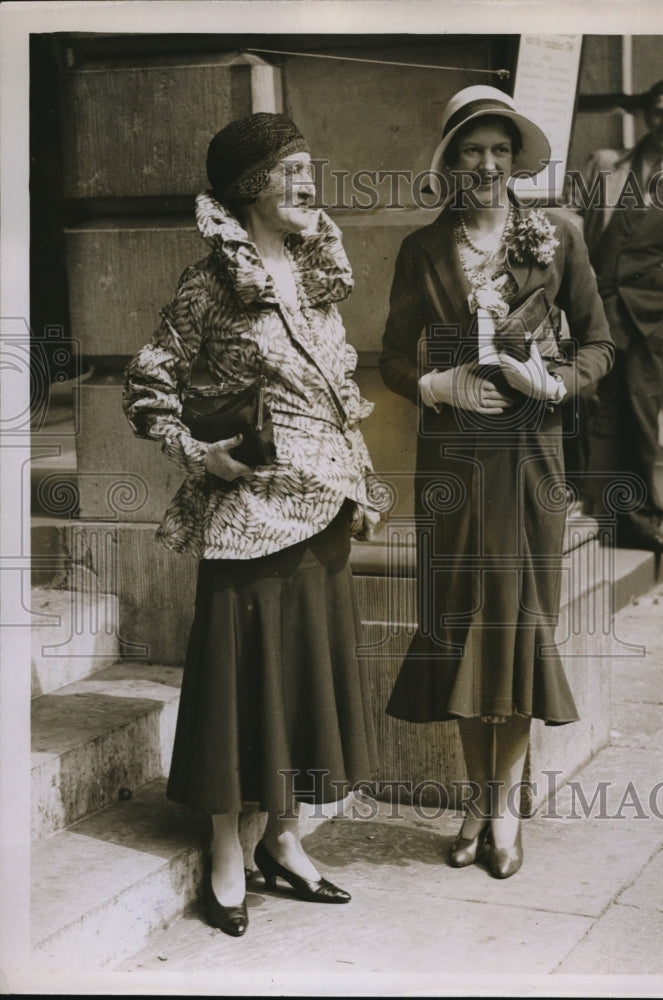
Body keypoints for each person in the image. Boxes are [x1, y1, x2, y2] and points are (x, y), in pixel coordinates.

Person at [123, 112, 379, 936]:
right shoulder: (208, 285)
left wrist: (363, 482)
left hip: (326, 509)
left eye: (311, 166)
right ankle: (227, 852)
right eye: (291, 169)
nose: (309, 182)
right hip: (250, 517)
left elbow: (338, 394)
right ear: (247, 188)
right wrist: (200, 455)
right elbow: (149, 383)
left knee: (304, 680)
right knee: (243, 688)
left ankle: (284, 840)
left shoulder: (314, 277)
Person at [379, 86, 614, 878]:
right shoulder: (421, 250)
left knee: (515, 630)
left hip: (528, 461)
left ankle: (505, 808)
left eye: (499, 151)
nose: (485, 164)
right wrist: (435, 387)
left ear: (515, 163)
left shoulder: (557, 239)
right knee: (459, 628)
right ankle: (474, 803)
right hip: (450, 466)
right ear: (451, 160)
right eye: (471, 150)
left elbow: (601, 345)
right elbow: (388, 355)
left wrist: (553, 385)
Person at [578, 79, 663, 552]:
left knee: (641, 417)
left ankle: (638, 522)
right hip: (599, 306)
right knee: (580, 399)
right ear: (646, 117)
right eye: (659, 113)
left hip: (651, 315)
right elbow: (574, 224)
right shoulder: (608, 166)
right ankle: (573, 508)